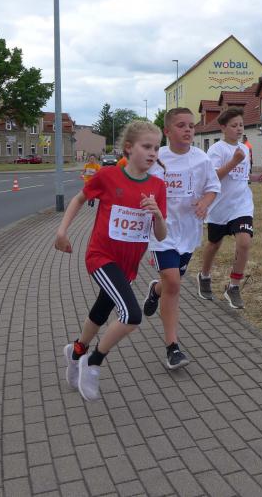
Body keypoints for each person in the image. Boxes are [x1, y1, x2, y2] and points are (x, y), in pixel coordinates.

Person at [56, 120, 167, 402]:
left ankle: (76, 351)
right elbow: (79, 199)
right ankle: (93, 362)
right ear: (129, 148)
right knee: (131, 315)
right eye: (146, 146)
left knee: (101, 310)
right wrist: (62, 231)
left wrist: (157, 215)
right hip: (101, 257)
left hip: (128, 265)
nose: (153, 153)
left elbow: (161, 234)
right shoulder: (108, 176)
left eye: (156, 148)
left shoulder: (157, 186)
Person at [141, 107, 220, 370]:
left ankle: (155, 290)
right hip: (161, 231)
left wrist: (205, 202)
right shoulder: (157, 158)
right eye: (181, 125)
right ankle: (172, 347)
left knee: (170, 283)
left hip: (188, 232)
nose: (188, 130)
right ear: (167, 131)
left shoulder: (202, 159)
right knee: (174, 283)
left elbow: (213, 187)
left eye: (191, 125)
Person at [198, 107, 254, 309]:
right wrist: (234, 161)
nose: (239, 129)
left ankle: (234, 286)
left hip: (241, 205)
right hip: (220, 207)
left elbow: (242, 177)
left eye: (241, 125)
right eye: (234, 125)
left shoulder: (245, 149)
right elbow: (213, 177)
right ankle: (204, 275)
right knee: (214, 244)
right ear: (223, 128)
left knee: (244, 242)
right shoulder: (217, 150)